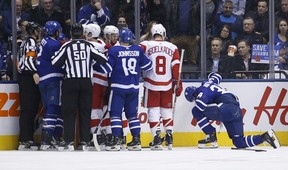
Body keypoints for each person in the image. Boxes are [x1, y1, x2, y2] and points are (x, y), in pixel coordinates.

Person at [184, 72, 281, 149]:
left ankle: (211, 136)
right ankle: (265, 137)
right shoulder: (209, 82)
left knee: (195, 110)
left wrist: (197, 101)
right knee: (239, 142)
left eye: (193, 99)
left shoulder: (201, 92)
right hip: (236, 110)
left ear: (194, 95)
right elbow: (217, 75)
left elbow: (201, 104)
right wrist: (210, 76)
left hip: (226, 108)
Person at [51, 23, 107, 151]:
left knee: (69, 112)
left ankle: (69, 142)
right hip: (86, 82)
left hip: (70, 81)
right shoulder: (89, 45)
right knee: (85, 112)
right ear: (82, 33)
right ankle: (85, 142)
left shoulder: (67, 45)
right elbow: (103, 59)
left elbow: (55, 61)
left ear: (71, 33)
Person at [95, 28, 152, 151]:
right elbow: (148, 65)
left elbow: (107, 69)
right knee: (132, 115)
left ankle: (116, 140)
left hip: (118, 88)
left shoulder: (114, 50)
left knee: (115, 114)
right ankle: (136, 140)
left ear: (120, 38)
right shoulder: (138, 49)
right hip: (133, 88)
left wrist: (95, 64)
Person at [140, 24, 183, 150]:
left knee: (153, 110)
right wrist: (178, 84)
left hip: (151, 82)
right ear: (164, 33)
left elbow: (136, 54)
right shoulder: (173, 47)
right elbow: (176, 67)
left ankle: (156, 138)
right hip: (167, 84)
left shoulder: (145, 45)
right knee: (166, 111)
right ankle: (169, 136)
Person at [37, 21, 64, 150]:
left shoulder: (44, 41)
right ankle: (47, 139)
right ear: (56, 31)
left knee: (51, 108)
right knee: (53, 108)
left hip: (43, 79)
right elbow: (59, 61)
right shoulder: (55, 44)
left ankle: (52, 137)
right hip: (53, 79)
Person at [82, 23, 108, 150]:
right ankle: (102, 133)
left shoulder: (87, 45)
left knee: (94, 109)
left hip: (94, 80)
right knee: (101, 108)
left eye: (86, 32)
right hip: (104, 80)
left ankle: (95, 136)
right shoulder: (102, 44)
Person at [17, 22, 42, 150]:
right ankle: (25, 139)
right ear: (33, 31)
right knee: (29, 109)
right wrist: (34, 73)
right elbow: (28, 60)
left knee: (28, 109)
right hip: (28, 78)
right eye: (37, 29)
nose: (39, 32)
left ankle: (25, 139)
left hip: (24, 77)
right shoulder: (31, 42)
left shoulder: (24, 42)